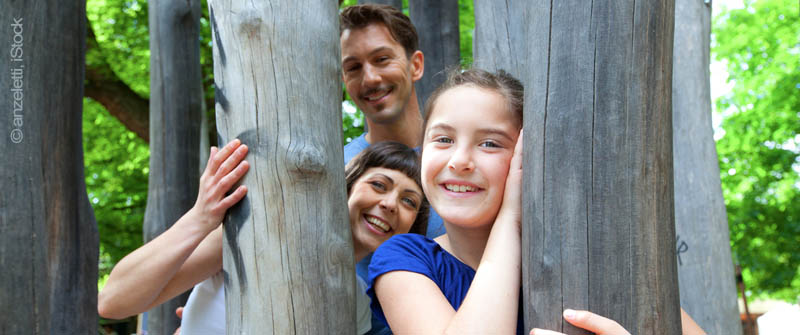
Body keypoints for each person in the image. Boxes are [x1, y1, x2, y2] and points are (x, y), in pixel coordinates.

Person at [366, 68, 707, 335]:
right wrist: (510, 217)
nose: (459, 160)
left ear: (527, 158)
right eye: (443, 139)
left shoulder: (594, 260)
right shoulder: (403, 259)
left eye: (490, 144)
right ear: (423, 151)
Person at [98, 140, 429, 335]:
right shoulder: (252, 235)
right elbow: (114, 301)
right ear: (347, 187)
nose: (389, 204)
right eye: (379, 185)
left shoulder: (357, 306)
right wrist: (201, 217)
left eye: (408, 201)